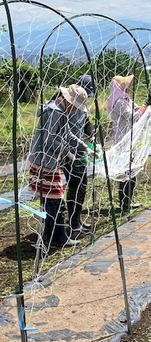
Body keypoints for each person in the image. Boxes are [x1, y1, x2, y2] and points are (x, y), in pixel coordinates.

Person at [28, 84, 95, 247]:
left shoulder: (62, 110)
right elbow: (49, 139)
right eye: (76, 105)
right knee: (55, 200)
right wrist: (69, 153)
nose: (76, 109)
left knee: (51, 200)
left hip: (51, 161)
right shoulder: (54, 111)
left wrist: (85, 147)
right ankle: (57, 238)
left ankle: (50, 236)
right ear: (69, 101)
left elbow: (67, 134)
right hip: (44, 161)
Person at [61, 75, 97, 236]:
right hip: (67, 151)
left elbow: (86, 124)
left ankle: (77, 219)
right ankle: (73, 223)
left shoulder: (82, 103)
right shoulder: (66, 104)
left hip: (80, 150)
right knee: (75, 184)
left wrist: (92, 137)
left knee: (83, 184)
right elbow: (64, 132)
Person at [107, 75, 147, 213]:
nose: (129, 86)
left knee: (132, 171)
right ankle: (124, 203)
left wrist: (144, 106)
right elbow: (133, 117)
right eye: (126, 84)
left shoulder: (126, 99)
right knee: (126, 173)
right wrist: (145, 106)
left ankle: (129, 200)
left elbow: (136, 110)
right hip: (123, 141)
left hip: (130, 139)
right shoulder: (119, 102)